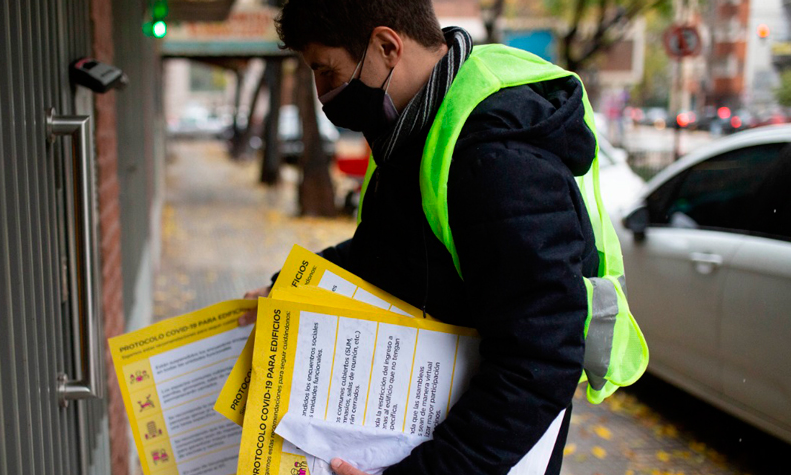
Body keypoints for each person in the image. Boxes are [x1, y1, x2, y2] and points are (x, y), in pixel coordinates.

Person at [240, 0, 645, 473]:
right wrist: (288, 286)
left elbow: (538, 361)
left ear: (387, 46)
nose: (323, 92)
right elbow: (389, 253)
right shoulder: (415, 131)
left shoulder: (497, 159)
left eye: (327, 71)